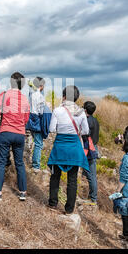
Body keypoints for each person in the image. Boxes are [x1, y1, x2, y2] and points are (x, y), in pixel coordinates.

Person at [47, 85, 90, 214]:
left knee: (55, 176)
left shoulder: (58, 110)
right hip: (74, 148)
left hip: (60, 146)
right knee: (72, 180)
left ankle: (52, 203)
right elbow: (86, 131)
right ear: (76, 98)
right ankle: (69, 209)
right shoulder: (81, 112)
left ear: (64, 96)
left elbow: (51, 129)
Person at [0, 72, 30, 201]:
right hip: (19, 134)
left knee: (1, 162)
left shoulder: (3, 96)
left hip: (6, 132)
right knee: (19, 163)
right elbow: (26, 119)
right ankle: (23, 192)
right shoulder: (25, 99)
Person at [25, 77, 46, 173]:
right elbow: (41, 111)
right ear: (41, 86)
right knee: (38, 143)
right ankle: (36, 165)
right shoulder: (40, 96)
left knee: (35, 141)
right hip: (37, 119)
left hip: (30, 119)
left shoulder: (31, 94)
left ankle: (34, 163)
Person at [81, 101, 100, 204]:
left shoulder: (87, 121)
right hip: (94, 147)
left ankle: (93, 198)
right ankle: (92, 196)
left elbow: (85, 135)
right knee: (92, 173)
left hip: (88, 148)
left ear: (85, 110)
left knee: (91, 175)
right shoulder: (95, 121)